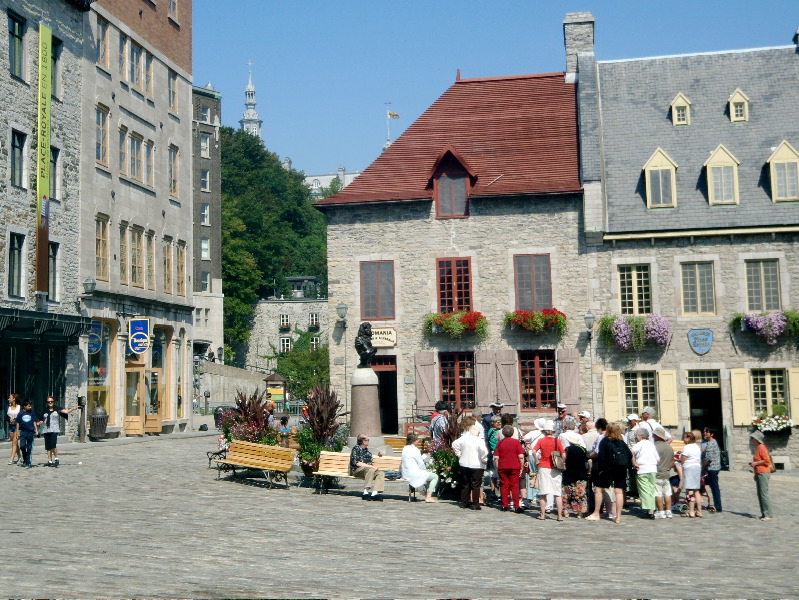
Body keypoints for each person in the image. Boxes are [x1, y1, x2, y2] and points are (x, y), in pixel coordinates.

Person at [586, 422, 631, 523]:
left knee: (598, 489)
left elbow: (601, 457)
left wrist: (600, 469)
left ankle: (596, 513)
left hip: (608, 468)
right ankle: (618, 516)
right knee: (619, 492)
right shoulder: (622, 442)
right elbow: (629, 455)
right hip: (621, 468)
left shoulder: (605, 441)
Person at [451, 417, 488, 510]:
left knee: (465, 484)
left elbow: (454, 444)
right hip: (477, 465)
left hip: (464, 463)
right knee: (476, 485)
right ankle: (475, 504)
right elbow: (484, 451)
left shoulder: (464, 438)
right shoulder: (479, 440)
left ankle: (464, 502)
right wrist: (484, 460)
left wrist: (459, 454)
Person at [532, 420, 565, 521]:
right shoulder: (557, 441)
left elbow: (534, 451)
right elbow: (563, 454)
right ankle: (559, 516)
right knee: (557, 493)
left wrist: (537, 459)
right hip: (555, 468)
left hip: (543, 466)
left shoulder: (541, 441)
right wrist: (562, 462)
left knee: (543, 493)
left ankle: (542, 515)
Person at [37, 396, 79, 466]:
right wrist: (39, 423)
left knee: (53, 445)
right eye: (49, 402)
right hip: (46, 429)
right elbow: (42, 419)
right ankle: (49, 461)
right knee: (48, 446)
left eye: (51, 401)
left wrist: (73, 408)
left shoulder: (57, 409)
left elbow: (66, 411)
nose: (50, 403)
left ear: (53, 402)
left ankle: (56, 458)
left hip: (54, 429)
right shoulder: (44, 410)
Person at [494, 425, 525, 513]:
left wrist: (497, 467)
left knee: (504, 486)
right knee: (515, 486)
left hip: (503, 466)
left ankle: (504, 505)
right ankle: (516, 505)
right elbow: (521, 456)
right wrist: (521, 466)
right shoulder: (516, 442)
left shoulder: (499, 443)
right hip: (514, 466)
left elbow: (496, 457)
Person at [401, 432, 439, 503]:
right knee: (435, 477)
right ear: (413, 441)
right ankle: (428, 497)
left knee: (427, 476)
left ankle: (427, 494)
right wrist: (425, 470)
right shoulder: (415, 450)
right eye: (417, 440)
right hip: (414, 473)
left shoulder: (405, 448)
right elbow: (421, 463)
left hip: (406, 473)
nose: (418, 441)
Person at [631, 427, 659, 518]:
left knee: (644, 490)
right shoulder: (651, 445)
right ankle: (652, 508)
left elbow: (631, 452)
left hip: (642, 469)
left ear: (641, 436)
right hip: (652, 469)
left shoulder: (640, 444)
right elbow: (658, 459)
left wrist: (634, 463)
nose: (636, 437)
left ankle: (649, 510)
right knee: (651, 489)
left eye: (636, 435)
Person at [561, 429, 589, 518]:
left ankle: (565, 511)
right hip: (581, 474)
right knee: (580, 493)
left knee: (566, 493)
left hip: (569, 474)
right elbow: (589, 461)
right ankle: (580, 513)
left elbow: (564, 459)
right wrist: (589, 471)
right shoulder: (583, 450)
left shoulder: (567, 449)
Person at [349, 433, 385, 501]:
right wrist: (371, 467)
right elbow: (357, 463)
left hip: (367, 471)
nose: (368, 441)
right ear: (363, 441)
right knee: (370, 470)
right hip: (357, 470)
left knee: (380, 473)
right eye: (367, 440)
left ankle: (375, 493)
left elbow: (370, 458)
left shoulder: (366, 451)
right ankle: (365, 492)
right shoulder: (356, 449)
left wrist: (379, 455)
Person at [748, 430, 774, 521]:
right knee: (760, 494)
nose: (751, 440)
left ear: (756, 439)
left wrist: (756, 463)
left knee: (763, 494)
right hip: (759, 472)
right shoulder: (758, 447)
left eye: (753, 438)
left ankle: (768, 514)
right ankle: (764, 513)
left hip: (763, 472)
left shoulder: (761, 447)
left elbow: (767, 461)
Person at [652, 427, 676, 518]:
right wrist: (667, 468)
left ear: (656, 436)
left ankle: (661, 511)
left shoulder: (655, 447)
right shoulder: (669, 447)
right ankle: (668, 511)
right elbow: (672, 460)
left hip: (657, 473)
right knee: (667, 493)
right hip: (666, 473)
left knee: (658, 493)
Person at [679, 431, 703, 518]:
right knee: (696, 490)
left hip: (689, 468)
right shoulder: (697, 446)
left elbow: (683, 459)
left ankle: (691, 511)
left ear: (688, 438)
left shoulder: (687, 447)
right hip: (697, 467)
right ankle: (699, 511)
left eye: (684, 437)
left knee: (690, 490)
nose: (683, 439)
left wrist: (678, 458)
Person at [702, 427, 723, 512]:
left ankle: (718, 506)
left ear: (712, 434)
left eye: (707, 432)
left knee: (714, 487)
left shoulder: (711, 443)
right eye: (704, 432)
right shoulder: (711, 443)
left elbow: (708, 459)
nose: (705, 433)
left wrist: (702, 467)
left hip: (712, 469)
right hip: (713, 468)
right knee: (710, 486)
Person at [15, 399, 38, 468]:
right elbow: (18, 423)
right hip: (23, 432)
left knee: (29, 447)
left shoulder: (32, 413)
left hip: (30, 431)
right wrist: (17, 431)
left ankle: (28, 462)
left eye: (31, 406)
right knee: (22, 446)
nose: (30, 407)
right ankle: (25, 458)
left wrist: (36, 429)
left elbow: (34, 421)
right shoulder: (21, 413)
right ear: (24, 406)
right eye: (29, 406)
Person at [486, 415, 501, 500]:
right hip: (494, 454)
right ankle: (493, 492)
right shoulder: (492, 431)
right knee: (494, 474)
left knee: (494, 474)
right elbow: (495, 442)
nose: (499, 423)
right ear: (493, 423)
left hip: (496, 453)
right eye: (497, 422)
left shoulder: (497, 431)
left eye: (499, 421)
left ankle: (494, 492)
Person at [6, 393, 22, 464]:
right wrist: (9, 419)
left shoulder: (19, 407)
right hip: (11, 426)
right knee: (14, 443)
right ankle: (19, 456)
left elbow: (22, 416)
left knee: (14, 442)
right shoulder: (8, 407)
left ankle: (11, 458)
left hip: (17, 426)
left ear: (14, 399)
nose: (8, 399)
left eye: (10, 398)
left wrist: (16, 419)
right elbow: (5, 417)